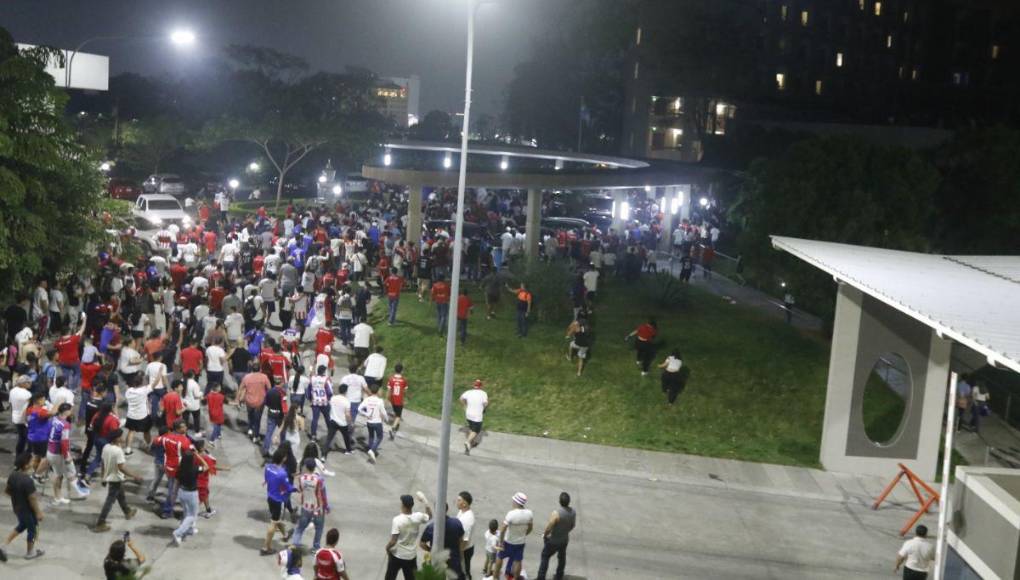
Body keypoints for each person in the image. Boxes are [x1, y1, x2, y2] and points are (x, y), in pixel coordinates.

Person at [93, 429, 142, 532]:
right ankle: (100, 523)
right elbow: (121, 467)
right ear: (117, 439)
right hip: (116, 478)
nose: (123, 437)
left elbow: (103, 463)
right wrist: (134, 476)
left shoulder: (106, 447)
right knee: (109, 501)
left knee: (121, 495)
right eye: (121, 436)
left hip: (110, 477)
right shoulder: (118, 451)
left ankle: (127, 511)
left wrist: (103, 477)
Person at [0, 452, 45, 562]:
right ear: (26, 465)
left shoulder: (13, 475)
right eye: (31, 461)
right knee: (33, 530)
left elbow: (7, 491)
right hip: (28, 511)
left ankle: (3, 545)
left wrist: (18, 497)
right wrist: (38, 512)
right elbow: (32, 499)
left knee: (22, 525)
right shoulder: (28, 481)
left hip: (17, 508)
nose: (33, 462)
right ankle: (30, 553)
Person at [384, 492, 433, 580]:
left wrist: (387, 548)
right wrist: (424, 501)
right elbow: (429, 516)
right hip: (411, 556)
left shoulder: (397, 520)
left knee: (390, 577)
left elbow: (393, 541)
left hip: (397, 555)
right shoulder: (418, 516)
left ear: (402, 505)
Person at [261, 447, 296, 555]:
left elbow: (266, 479)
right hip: (278, 500)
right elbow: (287, 488)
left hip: (270, 497)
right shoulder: (282, 473)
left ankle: (285, 535)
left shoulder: (267, 467)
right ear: (283, 459)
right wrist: (295, 489)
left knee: (275, 518)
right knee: (273, 523)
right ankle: (266, 548)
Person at [536, 492, 577, 580]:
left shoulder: (556, 513)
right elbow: (573, 525)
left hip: (553, 541)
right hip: (564, 539)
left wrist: (545, 535)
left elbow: (549, 527)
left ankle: (541, 577)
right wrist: (565, 531)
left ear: (559, 501)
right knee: (562, 558)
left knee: (545, 556)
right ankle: (559, 576)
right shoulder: (573, 512)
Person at [420, 503, 466, 580]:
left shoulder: (431, 527)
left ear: (436, 510)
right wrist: (461, 555)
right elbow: (461, 540)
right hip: (453, 557)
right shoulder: (456, 523)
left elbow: (422, 544)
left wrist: (431, 550)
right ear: (447, 510)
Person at [292, 458, 330, 550]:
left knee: (300, 528)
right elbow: (323, 495)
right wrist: (326, 506)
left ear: (306, 467)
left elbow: (300, 490)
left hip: (305, 507)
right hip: (318, 508)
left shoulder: (301, 478)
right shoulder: (319, 480)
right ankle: (315, 547)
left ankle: (295, 545)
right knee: (319, 528)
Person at [172, 449, 207, 545]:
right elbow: (206, 467)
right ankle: (178, 533)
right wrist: (197, 455)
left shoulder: (179, 469)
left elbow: (176, 483)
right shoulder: (195, 468)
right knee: (192, 515)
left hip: (181, 492)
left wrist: (174, 496)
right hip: (191, 494)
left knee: (187, 512)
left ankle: (189, 529)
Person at [495, 492, 533, 580]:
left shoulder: (511, 514)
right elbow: (530, 528)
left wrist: (500, 542)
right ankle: (515, 578)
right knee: (517, 561)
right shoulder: (529, 513)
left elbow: (503, 529)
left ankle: (495, 577)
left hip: (507, 541)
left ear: (516, 502)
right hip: (520, 542)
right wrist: (524, 534)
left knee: (500, 557)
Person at [45, 403, 76, 505]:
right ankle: (57, 497)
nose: (71, 412)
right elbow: (64, 442)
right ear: (66, 411)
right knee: (58, 475)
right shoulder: (65, 424)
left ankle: (58, 496)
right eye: (70, 410)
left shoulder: (54, 419)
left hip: (50, 450)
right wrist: (67, 455)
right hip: (57, 453)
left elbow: (48, 432)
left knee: (58, 475)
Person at [323, 382, 353, 458]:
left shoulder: (333, 398)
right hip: (343, 423)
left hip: (333, 421)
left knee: (329, 439)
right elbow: (347, 414)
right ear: (346, 391)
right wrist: (350, 423)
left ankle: (323, 456)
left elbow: (329, 405)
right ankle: (348, 450)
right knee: (346, 437)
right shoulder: (346, 401)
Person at [459, 379, 489, 455]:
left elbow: (461, 399)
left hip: (468, 414)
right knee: (476, 431)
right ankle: (468, 442)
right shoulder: (483, 393)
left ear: (474, 385)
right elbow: (485, 403)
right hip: (477, 416)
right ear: (481, 386)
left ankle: (472, 442)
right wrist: (484, 409)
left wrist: (465, 405)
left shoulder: (468, 392)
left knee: (472, 428)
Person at [361, 384, 389, 463]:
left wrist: (366, 414)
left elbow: (360, 409)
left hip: (369, 422)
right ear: (377, 391)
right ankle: (372, 450)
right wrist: (386, 419)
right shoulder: (380, 401)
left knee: (371, 436)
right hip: (377, 422)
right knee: (380, 437)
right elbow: (383, 412)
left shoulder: (367, 399)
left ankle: (370, 449)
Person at [456, 491, 477, 580]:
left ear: (464, 504)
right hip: (464, 548)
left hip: (464, 550)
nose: (456, 502)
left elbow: (465, 540)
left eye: (459, 500)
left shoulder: (467, 519)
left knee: (464, 570)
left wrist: (459, 553)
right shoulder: (461, 512)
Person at [386, 364, 409, 440]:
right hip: (399, 400)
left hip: (392, 399)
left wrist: (387, 399)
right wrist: (406, 398)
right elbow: (405, 391)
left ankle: (396, 426)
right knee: (398, 416)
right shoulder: (404, 380)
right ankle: (393, 428)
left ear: (394, 370)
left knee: (396, 413)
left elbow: (389, 390)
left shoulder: (391, 379)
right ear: (402, 371)